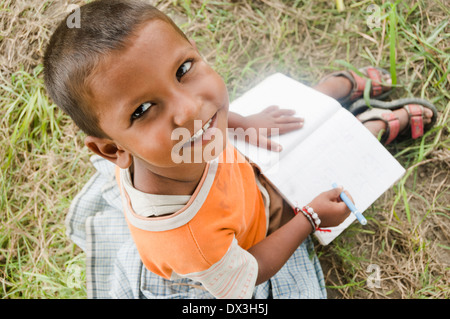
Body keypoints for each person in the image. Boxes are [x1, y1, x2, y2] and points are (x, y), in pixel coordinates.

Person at [43, 0, 436, 299]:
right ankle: (364, 131)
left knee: (281, 122)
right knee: (324, 171)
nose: (191, 108)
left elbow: (206, 113)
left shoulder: (184, 137)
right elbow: (253, 270)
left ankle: (325, 98)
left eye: (183, 70)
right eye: (144, 110)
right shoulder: (188, 237)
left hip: (241, 175)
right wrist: (310, 218)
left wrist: (246, 123)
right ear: (113, 150)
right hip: (257, 221)